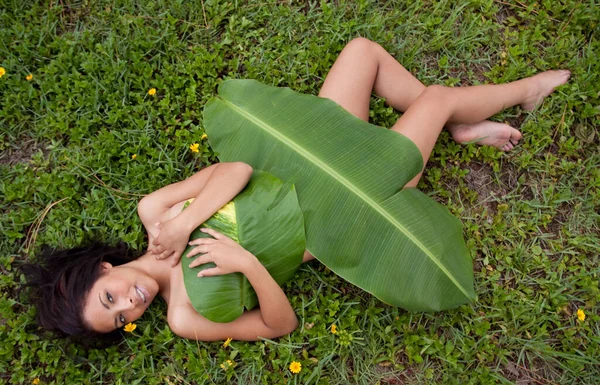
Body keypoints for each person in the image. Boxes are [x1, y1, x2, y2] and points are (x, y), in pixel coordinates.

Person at [22, 38, 570, 343]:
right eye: (120, 319)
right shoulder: (186, 315)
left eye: (110, 298)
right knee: (437, 100)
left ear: (101, 270)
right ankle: (523, 92)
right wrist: (247, 266)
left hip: (311, 154)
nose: (130, 304)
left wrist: (189, 222)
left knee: (362, 54)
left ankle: (457, 128)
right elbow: (277, 326)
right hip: (352, 203)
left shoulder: (157, 212)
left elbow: (235, 169)